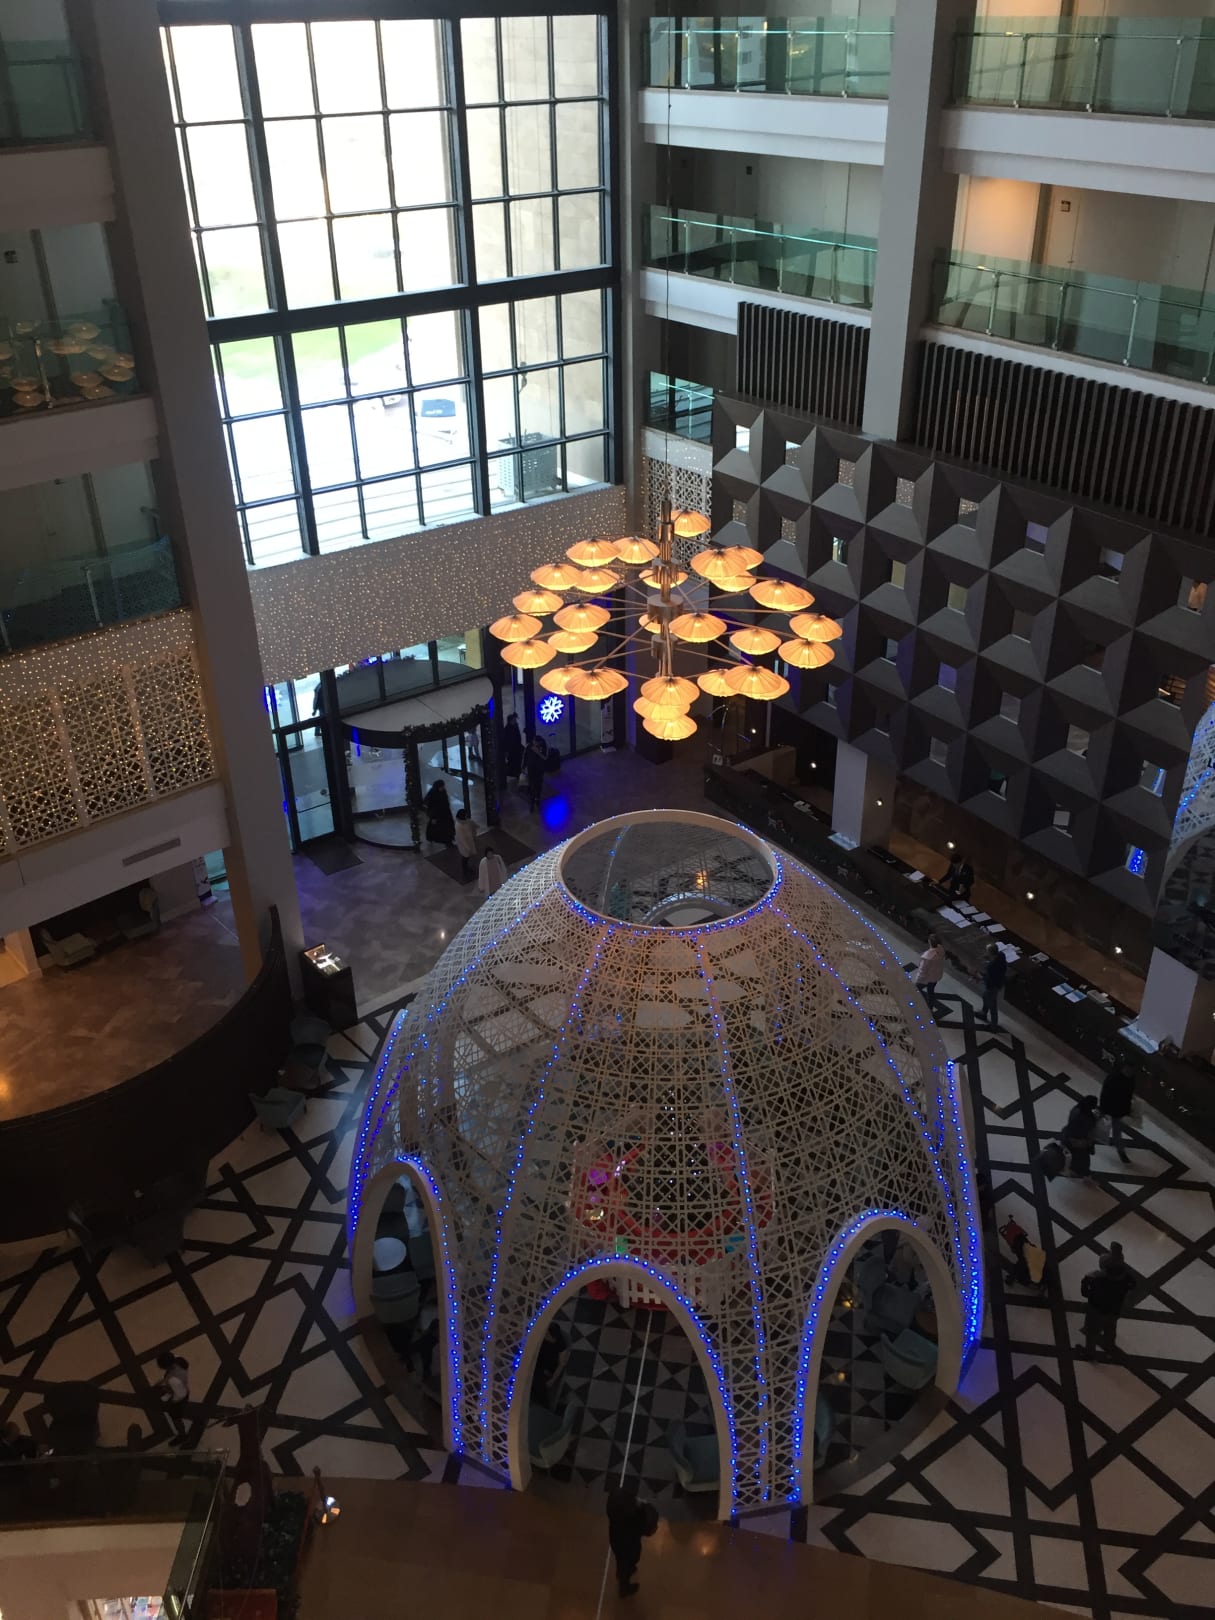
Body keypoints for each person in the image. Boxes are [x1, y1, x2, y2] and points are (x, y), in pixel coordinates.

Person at [1076, 1244, 1134, 1360]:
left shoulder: (1097, 1279)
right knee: (1110, 1330)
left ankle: (1089, 1354)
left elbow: (1085, 1293)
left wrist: (1086, 1280)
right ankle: (1110, 1348)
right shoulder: (1126, 1277)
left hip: (1097, 1311)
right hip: (1114, 1310)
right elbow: (1133, 1285)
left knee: (1092, 1332)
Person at [606, 1487, 658, 1599]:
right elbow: (648, 1530)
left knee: (621, 1560)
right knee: (627, 1563)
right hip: (629, 1546)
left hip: (616, 1540)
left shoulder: (614, 1508)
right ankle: (624, 1587)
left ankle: (622, 1572)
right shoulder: (635, 1517)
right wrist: (643, 1506)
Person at [1099, 1057, 1136, 1164]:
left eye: (1131, 1071)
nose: (1129, 1073)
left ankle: (1121, 1151)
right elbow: (1105, 1094)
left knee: (1117, 1132)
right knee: (1101, 1126)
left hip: (1118, 1111)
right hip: (1109, 1107)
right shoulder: (1113, 1078)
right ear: (1123, 1068)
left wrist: (1127, 1110)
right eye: (1128, 1070)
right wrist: (1103, 1108)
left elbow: (1128, 1096)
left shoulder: (1130, 1079)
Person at [154, 1351, 191, 1447]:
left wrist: (169, 1400)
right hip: (182, 1389)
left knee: (176, 1419)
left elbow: (179, 1395)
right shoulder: (177, 1359)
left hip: (179, 1400)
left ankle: (182, 1436)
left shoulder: (173, 1380)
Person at [1062, 1094, 1100, 1178]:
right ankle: (1084, 1172)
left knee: (1075, 1155)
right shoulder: (1087, 1117)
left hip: (1069, 1136)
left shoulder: (1076, 1109)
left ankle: (1074, 1169)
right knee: (1084, 1158)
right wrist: (1089, 1143)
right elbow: (1089, 1130)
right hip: (1079, 1141)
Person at [534, 1320, 568, 1408]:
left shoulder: (560, 1345)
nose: (545, 1334)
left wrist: (552, 1380)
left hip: (548, 1369)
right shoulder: (542, 1339)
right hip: (538, 1364)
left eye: (547, 1334)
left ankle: (544, 1406)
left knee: (538, 1383)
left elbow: (561, 1364)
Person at [913, 933, 947, 1019]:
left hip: (926, 978)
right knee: (931, 991)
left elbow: (922, 971)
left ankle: (922, 1005)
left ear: (930, 942)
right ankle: (930, 1008)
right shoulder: (941, 950)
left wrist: (917, 980)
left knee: (916, 989)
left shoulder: (927, 957)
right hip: (935, 977)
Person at [979, 942, 1007, 1030]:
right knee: (985, 996)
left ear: (990, 953)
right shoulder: (1001, 955)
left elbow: (989, 979)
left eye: (987, 951)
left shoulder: (991, 967)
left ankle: (993, 1026)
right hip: (999, 983)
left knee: (992, 1005)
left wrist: (981, 977)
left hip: (992, 986)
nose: (986, 952)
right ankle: (983, 1013)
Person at [423, 779, 454, 847]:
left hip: (445, 813)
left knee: (446, 827)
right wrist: (433, 817)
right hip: (437, 814)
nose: (443, 787)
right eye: (442, 786)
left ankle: (448, 841)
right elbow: (431, 806)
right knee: (439, 828)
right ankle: (443, 840)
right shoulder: (433, 794)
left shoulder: (442, 791)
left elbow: (445, 801)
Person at [453, 806, 479, 880]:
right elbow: (462, 839)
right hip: (465, 844)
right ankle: (465, 869)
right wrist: (467, 847)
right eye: (465, 815)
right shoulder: (459, 826)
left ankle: (466, 867)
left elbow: (471, 823)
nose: (467, 816)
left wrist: (476, 826)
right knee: (465, 856)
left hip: (469, 841)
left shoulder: (465, 821)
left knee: (467, 856)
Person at [524, 735, 548, 812]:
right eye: (533, 742)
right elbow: (526, 756)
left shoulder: (542, 746)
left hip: (539, 769)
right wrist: (524, 766)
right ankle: (532, 803)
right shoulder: (529, 746)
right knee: (532, 785)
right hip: (531, 769)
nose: (534, 743)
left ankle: (537, 799)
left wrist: (537, 752)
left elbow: (545, 757)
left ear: (539, 742)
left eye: (536, 742)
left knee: (538, 785)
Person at [502, 714, 524, 785]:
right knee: (513, 763)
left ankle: (516, 775)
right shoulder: (508, 729)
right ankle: (514, 775)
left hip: (516, 749)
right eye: (514, 720)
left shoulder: (514, 727)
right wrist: (506, 751)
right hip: (512, 750)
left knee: (516, 763)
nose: (515, 721)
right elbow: (506, 741)